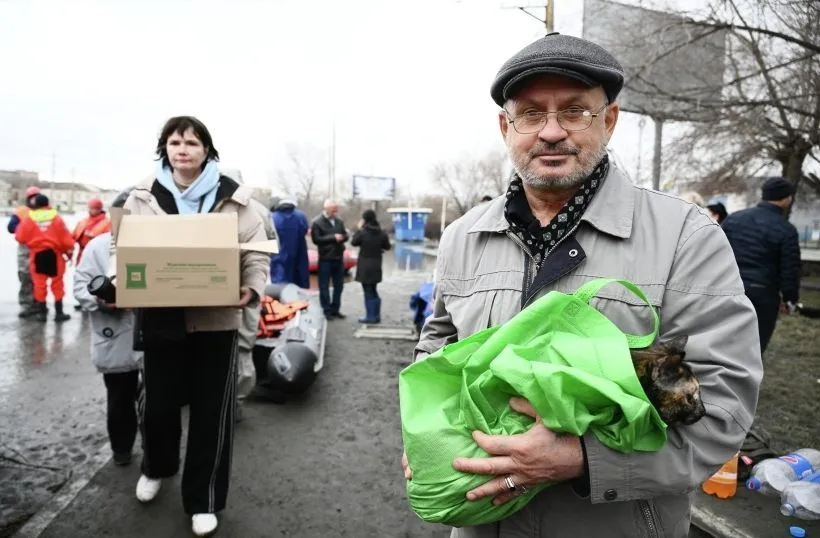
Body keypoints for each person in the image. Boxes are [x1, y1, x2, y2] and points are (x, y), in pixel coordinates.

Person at [406, 33, 762, 537]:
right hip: (481, 522)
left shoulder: (686, 236)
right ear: (507, 126)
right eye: (531, 114)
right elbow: (437, 346)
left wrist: (582, 460)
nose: (551, 132)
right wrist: (425, 434)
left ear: (609, 121)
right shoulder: (464, 236)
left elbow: (725, 402)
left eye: (575, 112)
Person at [112, 116, 269, 536]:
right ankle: (157, 466)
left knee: (211, 415)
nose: (183, 149)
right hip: (161, 318)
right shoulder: (141, 197)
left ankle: (204, 500)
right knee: (158, 406)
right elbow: (121, 248)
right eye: (175, 142)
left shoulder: (235, 200)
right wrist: (119, 282)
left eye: (192, 143)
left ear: (207, 150)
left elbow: (256, 254)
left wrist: (251, 291)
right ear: (164, 148)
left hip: (216, 321)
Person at [73, 187, 142, 466]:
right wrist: (103, 302)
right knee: (120, 399)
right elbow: (80, 286)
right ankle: (122, 450)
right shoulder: (98, 247)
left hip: (152, 335)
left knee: (156, 404)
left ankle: (157, 458)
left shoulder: (159, 248)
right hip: (115, 336)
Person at [721, 177, 800, 353]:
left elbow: (715, 252)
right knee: (754, 347)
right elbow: (790, 268)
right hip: (763, 295)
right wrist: (790, 298)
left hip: (728, 289)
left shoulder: (734, 219)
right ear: (786, 199)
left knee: (724, 343)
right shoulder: (786, 230)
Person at [236, 194, 278, 415]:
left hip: (236, 286)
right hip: (249, 286)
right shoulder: (259, 209)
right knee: (243, 345)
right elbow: (271, 245)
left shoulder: (205, 203)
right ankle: (237, 403)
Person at [14, 194, 75, 322]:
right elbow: (67, 240)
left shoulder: (29, 219)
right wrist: (69, 253)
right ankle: (59, 313)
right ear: (48, 204)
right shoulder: (57, 219)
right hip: (55, 255)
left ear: (35, 205)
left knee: (39, 284)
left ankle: (42, 314)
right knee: (57, 284)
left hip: (37, 255)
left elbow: (20, 237)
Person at [7, 186, 42, 318]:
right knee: (25, 276)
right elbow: (11, 227)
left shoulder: (46, 211)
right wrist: (26, 229)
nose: (34, 200)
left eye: (36, 197)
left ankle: (39, 303)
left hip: (41, 247)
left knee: (40, 277)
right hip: (25, 248)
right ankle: (26, 304)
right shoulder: (21, 212)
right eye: (32, 197)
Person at [351, 209, 391, 323]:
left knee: (368, 291)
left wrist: (359, 229)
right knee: (373, 290)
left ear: (365, 219)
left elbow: (353, 242)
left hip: (365, 266)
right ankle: (376, 315)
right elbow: (387, 246)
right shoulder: (382, 232)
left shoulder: (363, 232)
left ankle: (371, 317)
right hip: (377, 265)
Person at [311, 199, 349, 319]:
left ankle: (335, 309)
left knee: (339, 285)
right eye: (333, 210)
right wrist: (333, 238)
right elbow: (316, 239)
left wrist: (343, 237)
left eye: (336, 210)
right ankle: (326, 310)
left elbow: (345, 235)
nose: (336, 213)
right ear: (326, 209)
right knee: (324, 286)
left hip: (338, 257)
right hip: (325, 258)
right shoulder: (317, 222)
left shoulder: (339, 221)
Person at [270, 195, 310, 289]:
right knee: (300, 288)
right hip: (299, 257)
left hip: (279, 257)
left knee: (280, 288)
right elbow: (305, 229)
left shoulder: (273, 217)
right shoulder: (301, 216)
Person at [73, 197, 112, 265]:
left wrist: (93, 236)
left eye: (94, 208)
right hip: (81, 254)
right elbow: (72, 236)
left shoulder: (107, 223)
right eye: (90, 208)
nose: (91, 210)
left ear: (100, 209)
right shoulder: (83, 221)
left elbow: (110, 241)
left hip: (96, 256)